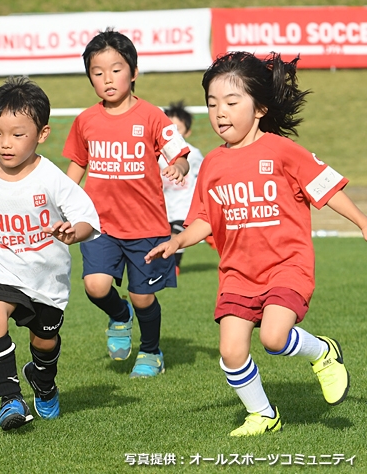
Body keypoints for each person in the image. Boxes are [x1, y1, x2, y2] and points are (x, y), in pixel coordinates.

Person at [146, 51, 367, 436]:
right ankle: (264, 414)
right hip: (237, 273)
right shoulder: (213, 163)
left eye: (232, 103)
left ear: (260, 107)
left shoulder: (282, 151)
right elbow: (204, 218)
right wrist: (178, 238)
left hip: (287, 264)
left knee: (273, 337)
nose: (220, 113)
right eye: (213, 104)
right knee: (231, 352)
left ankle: (324, 354)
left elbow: (325, 188)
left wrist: (363, 222)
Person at [0, 77, 100, 430]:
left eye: (17, 134)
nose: (5, 143)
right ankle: (10, 399)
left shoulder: (52, 178)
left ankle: (43, 383)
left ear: (42, 134)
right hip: (0, 267)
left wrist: (73, 232)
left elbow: (88, 217)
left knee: (44, 342)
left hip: (47, 278)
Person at [62, 29, 190, 378]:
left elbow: (180, 155)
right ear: (89, 76)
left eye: (116, 69)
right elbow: (77, 165)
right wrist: (59, 203)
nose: (107, 79)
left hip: (146, 226)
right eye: (98, 72)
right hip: (100, 224)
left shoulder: (152, 116)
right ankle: (119, 317)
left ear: (133, 72)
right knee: (96, 286)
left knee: (143, 297)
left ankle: (151, 352)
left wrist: (177, 167)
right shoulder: (85, 121)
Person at [157, 101, 205, 275]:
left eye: (179, 128)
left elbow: (204, 176)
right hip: (165, 207)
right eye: (170, 128)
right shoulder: (159, 154)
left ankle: (174, 267)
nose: (174, 132)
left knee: (175, 235)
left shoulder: (193, 154)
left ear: (188, 132)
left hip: (185, 208)